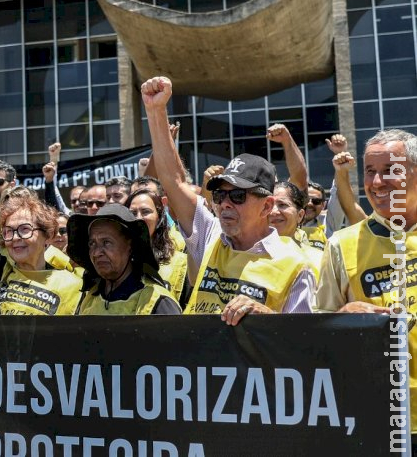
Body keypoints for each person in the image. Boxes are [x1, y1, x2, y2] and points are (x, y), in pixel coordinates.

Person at [142, 76, 313, 324]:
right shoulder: (210, 237)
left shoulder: (295, 265)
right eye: (220, 194)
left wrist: (267, 317)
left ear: (267, 206)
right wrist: (156, 109)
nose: (224, 204)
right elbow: (174, 182)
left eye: (238, 196)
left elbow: (304, 339)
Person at [315, 129, 417, 435]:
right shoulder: (341, 244)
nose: (377, 182)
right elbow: (316, 330)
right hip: (379, 422)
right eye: (370, 171)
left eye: (391, 170)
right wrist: (342, 318)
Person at [0, 133, 82, 316]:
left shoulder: (75, 285)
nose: (15, 238)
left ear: (48, 236)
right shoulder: (0, 273)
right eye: (8, 231)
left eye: (24, 230)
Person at [68, 204, 181, 314]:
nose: (97, 253)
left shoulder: (156, 301)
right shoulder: (89, 300)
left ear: (130, 245)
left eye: (106, 242)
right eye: (92, 244)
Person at [126, 189, 190, 307]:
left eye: (145, 212)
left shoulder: (181, 263)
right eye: (133, 213)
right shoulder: (117, 261)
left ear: (159, 216)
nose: (138, 218)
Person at [270, 181, 322, 278]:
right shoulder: (248, 256)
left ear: (300, 215)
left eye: (282, 205)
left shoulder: (318, 260)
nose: (273, 211)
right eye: (268, 205)